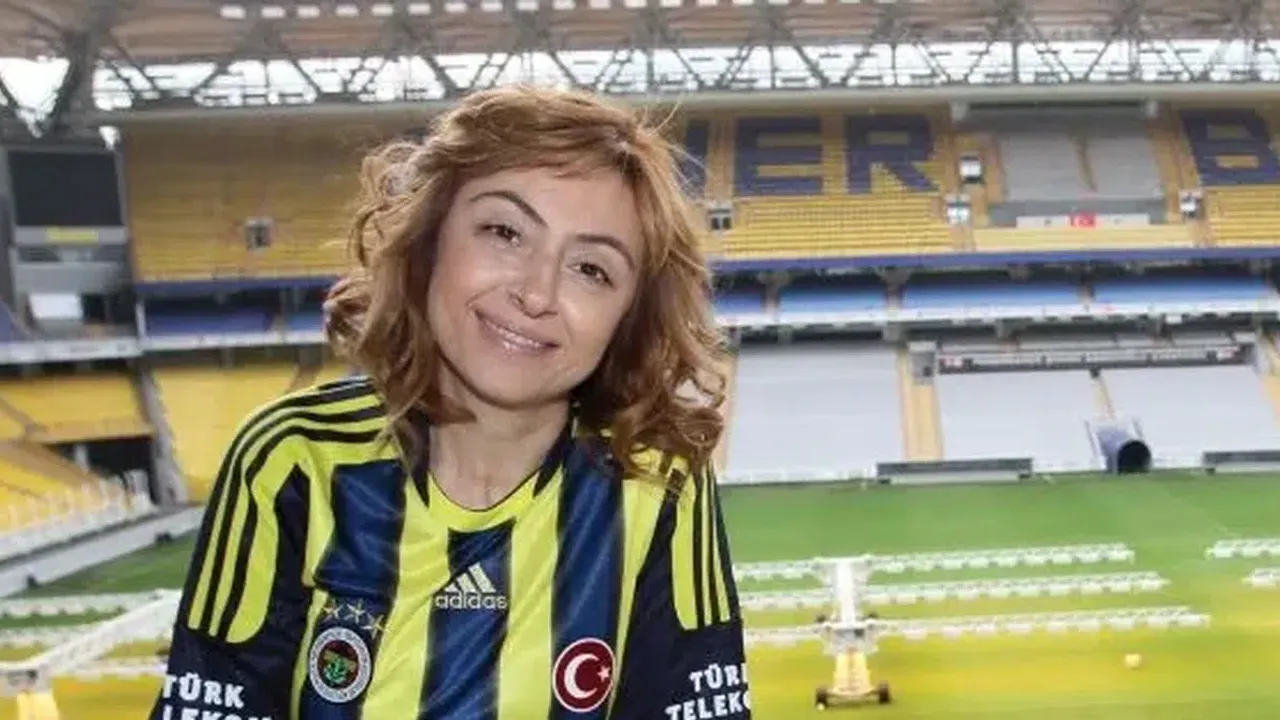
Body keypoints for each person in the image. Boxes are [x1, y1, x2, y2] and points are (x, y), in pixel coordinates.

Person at [150, 85, 751, 720]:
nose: (536, 293)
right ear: (429, 238)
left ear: (627, 318)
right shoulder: (294, 462)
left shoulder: (657, 479)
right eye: (505, 232)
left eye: (591, 270)